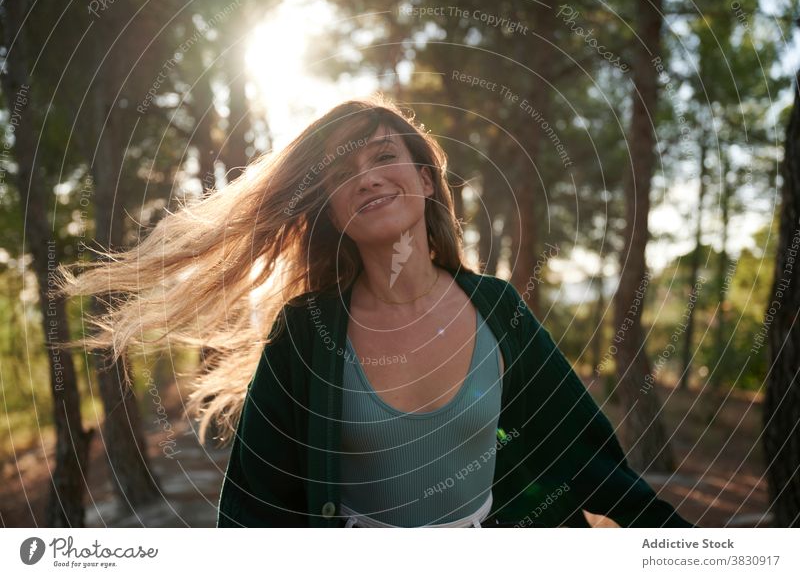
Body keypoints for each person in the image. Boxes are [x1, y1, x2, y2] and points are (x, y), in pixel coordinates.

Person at [52, 92, 695, 529]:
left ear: (422, 179)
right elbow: (254, 509)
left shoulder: (498, 308)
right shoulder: (305, 334)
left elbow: (585, 460)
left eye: (384, 156)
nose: (367, 178)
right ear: (329, 210)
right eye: (343, 172)